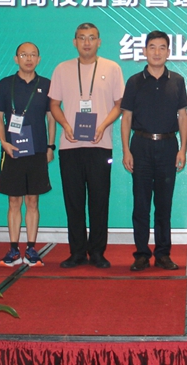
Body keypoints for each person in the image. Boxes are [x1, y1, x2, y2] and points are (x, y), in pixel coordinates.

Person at [49, 23, 124, 269]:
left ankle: (98, 251)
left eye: (92, 38)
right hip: (69, 146)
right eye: (82, 38)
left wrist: (103, 126)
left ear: (99, 42)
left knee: (99, 200)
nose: (87, 42)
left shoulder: (112, 68)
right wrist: (65, 125)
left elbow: (119, 104)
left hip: (100, 145)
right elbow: (54, 105)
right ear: (75, 42)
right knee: (74, 201)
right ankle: (77, 252)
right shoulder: (62, 69)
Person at [120, 31, 187, 272]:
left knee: (163, 205)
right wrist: (126, 150)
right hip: (140, 145)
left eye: (162, 48)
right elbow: (126, 118)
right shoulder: (134, 81)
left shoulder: (177, 81)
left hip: (168, 146)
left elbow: (183, 117)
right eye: (152, 47)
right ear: (144, 51)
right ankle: (141, 254)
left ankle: (162, 254)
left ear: (168, 52)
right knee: (140, 204)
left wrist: (183, 149)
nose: (157, 52)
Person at [0, 42, 56, 267]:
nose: (28, 59)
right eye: (24, 55)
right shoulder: (5, 84)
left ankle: (30, 248)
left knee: (32, 200)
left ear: (38, 59)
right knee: (13, 201)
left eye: (33, 55)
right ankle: (12, 249)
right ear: (16, 58)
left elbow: (51, 118)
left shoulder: (46, 84)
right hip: (13, 151)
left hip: (37, 150)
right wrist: (4, 143)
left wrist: (50, 146)